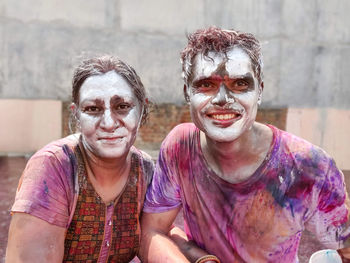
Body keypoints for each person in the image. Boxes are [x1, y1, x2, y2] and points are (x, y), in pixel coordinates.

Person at [139, 27, 350, 263]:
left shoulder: (307, 166)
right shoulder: (181, 148)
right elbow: (152, 230)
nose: (222, 99)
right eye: (206, 84)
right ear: (187, 92)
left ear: (259, 91)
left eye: (239, 84)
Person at [6, 55, 154, 262]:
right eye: (93, 109)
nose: (109, 123)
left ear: (142, 109)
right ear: (76, 115)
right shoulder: (55, 166)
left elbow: (159, 234)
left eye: (122, 106)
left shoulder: (145, 170)